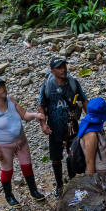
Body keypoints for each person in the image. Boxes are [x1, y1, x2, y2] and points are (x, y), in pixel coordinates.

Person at [0, 77, 48, 205]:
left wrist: (36, 115)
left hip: (21, 141)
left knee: (27, 165)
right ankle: (9, 196)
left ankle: (34, 191)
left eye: (3, 86)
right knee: (7, 170)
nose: (3, 89)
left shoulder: (11, 99)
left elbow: (24, 115)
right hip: (4, 145)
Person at [38, 56, 87, 196]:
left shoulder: (73, 83)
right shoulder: (47, 85)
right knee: (55, 157)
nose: (63, 69)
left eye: (64, 66)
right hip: (54, 126)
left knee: (75, 153)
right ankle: (59, 185)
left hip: (72, 125)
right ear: (52, 71)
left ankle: (74, 181)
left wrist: (91, 119)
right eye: (59, 67)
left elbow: (84, 100)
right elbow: (41, 105)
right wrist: (43, 124)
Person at [77, 97, 106, 183]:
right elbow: (89, 161)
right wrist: (93, 183)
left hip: (103, 172)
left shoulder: (96, 129)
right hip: (99, 175)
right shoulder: (91, 135)